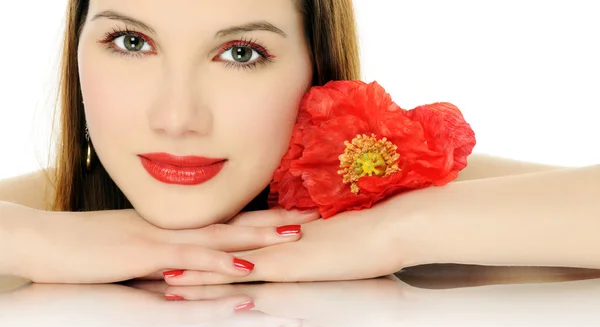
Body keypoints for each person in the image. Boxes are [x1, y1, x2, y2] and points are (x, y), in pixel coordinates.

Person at [0, 0, 598, 286]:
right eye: (131, 42)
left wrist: (401, 229)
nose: (176, 118)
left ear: (315, 68)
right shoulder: (38, 222)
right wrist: (27, 238)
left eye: (240, 53)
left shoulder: (390, 205)